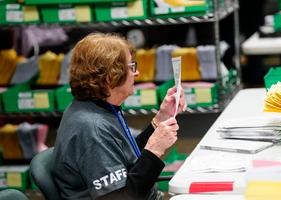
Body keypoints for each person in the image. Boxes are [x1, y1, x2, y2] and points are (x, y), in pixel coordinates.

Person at [52, 33, 187, 200]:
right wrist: (154, 150)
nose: (136, 73)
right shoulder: (93, 129)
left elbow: (124, 158)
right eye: (131, 66)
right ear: (110, 76)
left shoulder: (95, 108)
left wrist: (161, 119)